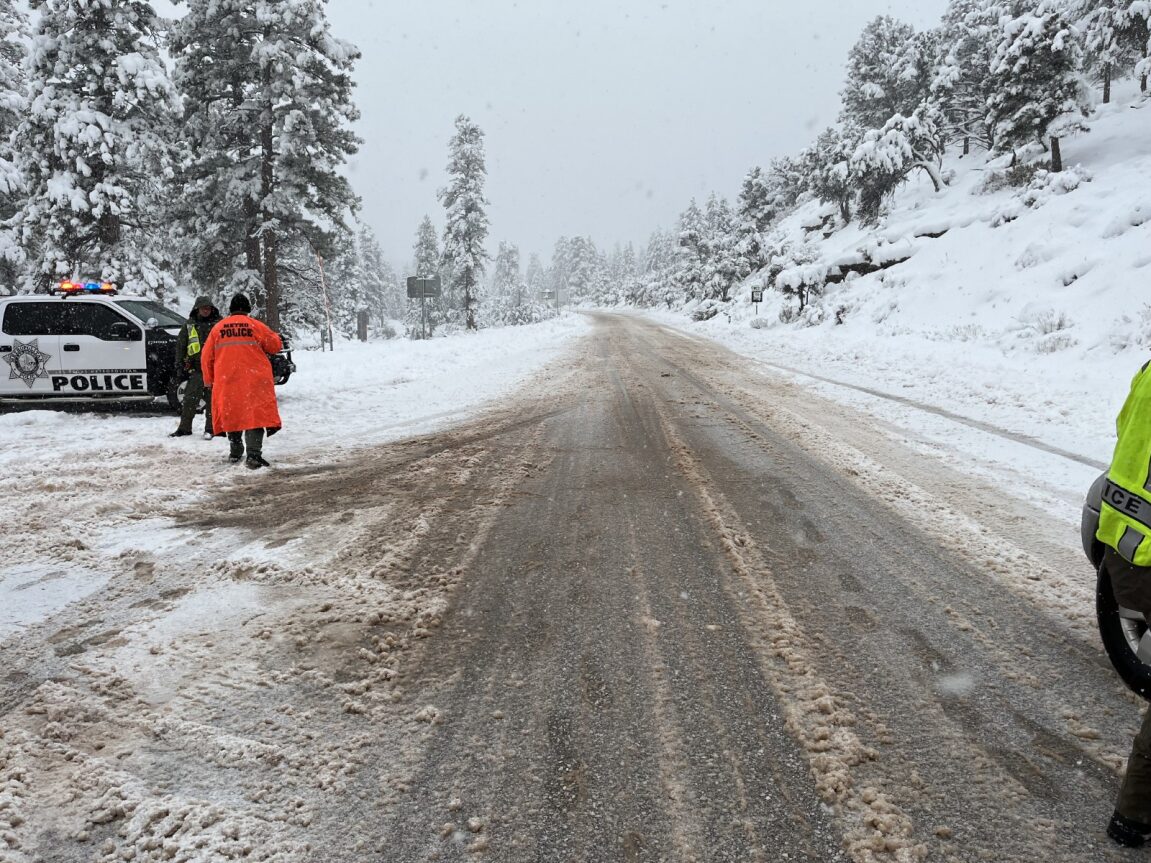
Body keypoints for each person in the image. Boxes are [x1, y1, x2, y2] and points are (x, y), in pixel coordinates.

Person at [1102, 359, 1151, 847]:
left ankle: (1133, 816)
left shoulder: (1147, 370)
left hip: (1123, 542)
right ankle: (1132, 815)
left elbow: (1125, 429)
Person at [199, 293, 283, 470]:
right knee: (255, 416)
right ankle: (253, 455)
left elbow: (206, 356)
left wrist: (208, 379)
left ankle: (235, 451)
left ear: (230, 310)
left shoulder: (218, 328)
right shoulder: (255, 325)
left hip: (227, 379)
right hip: (254, 379)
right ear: (247, 309)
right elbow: (275, 346)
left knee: (233, 414)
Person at [169, 296, 222, 439]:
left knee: (213, 401)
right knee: (190, 400)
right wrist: (179, 365)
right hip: (197, 369)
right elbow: (181, 345)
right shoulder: (189, 325)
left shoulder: (219, 324)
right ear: (197, 309)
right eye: (204, 308)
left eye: (208, 308)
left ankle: (211, 429)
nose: (206, 310)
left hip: (215, 369)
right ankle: (184, 428)